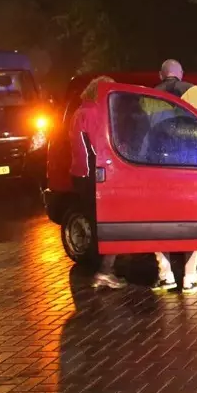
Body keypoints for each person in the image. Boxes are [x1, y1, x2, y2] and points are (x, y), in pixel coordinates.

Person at [150, 59, 197, 294]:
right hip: (190, 166)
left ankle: (165, 276)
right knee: (191, 221)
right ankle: (190, 277)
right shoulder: (196, 92)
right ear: (182, 74)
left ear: (160, 74)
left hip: (158, 167)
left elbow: (142, 134)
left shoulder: (146, 96)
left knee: (159, 222)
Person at [69, 75, 125, 290]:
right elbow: (99, 147)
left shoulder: (79, 112)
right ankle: (105, 272)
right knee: (113, 223)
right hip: (94, 176)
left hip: (80, 174)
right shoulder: (93, 113)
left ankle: (102, 269)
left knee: (95, 222)